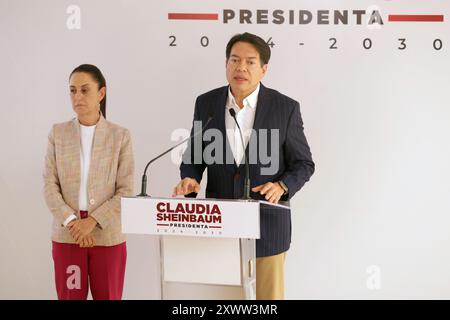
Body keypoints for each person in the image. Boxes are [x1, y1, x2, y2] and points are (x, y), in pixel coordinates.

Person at [172, 33, 315, 299]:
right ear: (226, 64)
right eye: (234, 60)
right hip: (220, 224)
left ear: (264, 69)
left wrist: (282, 185)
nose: (241, 68)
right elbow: (193, 157)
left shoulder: (285, 108)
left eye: (250, 62)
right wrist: (190, 180)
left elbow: (304, 163)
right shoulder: (207, 104)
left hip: (268, 227)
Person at [43, 64, 134, 300]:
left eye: (85, 90)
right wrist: (74, 222)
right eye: (72, 91)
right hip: (67, 236)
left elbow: (125, 190)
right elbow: (49, 185)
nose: (77, 97)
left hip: (107, 237)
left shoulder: (120, 136)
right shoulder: (58, 133)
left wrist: (91, 221)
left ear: (101, 94)